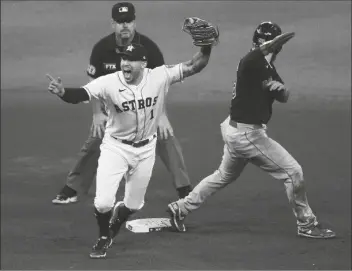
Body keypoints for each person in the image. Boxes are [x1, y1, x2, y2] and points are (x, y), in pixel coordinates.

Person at [167, 22, 336, 239]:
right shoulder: (250, 61)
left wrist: (281, 90)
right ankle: (306, 224)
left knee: (222, 176)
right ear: (257, 43)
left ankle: (180, 208)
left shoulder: (267, 67)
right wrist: (272, 44)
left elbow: (283, 96)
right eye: (265, 42)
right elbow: (258, 55)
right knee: (293, 172)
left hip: (235, 130)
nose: (269, 46)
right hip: (247, 135)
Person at [46, 38, 213, 258]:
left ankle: (116, 221)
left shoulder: (159, 76)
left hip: (145, 150)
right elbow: (81, 94)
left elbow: (194, 65)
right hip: (115, 148)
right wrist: (61, 92)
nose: (125, 63)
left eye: (131, 60)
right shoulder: (109, 82)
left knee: (134, 204)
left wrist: (207, 46)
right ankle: (105, 237)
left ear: (143, 64)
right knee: (103, 202)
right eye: (124, 58)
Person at [52, 2, 192, 205]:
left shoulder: (149, 49)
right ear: (113, 24)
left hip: (147, 108)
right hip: (116, 111)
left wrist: (161, 116)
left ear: (134, 22)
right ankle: (73, 188)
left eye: (128, 21)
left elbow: (162, 82)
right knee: (97, 137)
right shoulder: (102, 49)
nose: (124, 25)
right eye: (120, 22)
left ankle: (185, 190)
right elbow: (94, 84)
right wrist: (97, 114)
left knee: (166, 137)